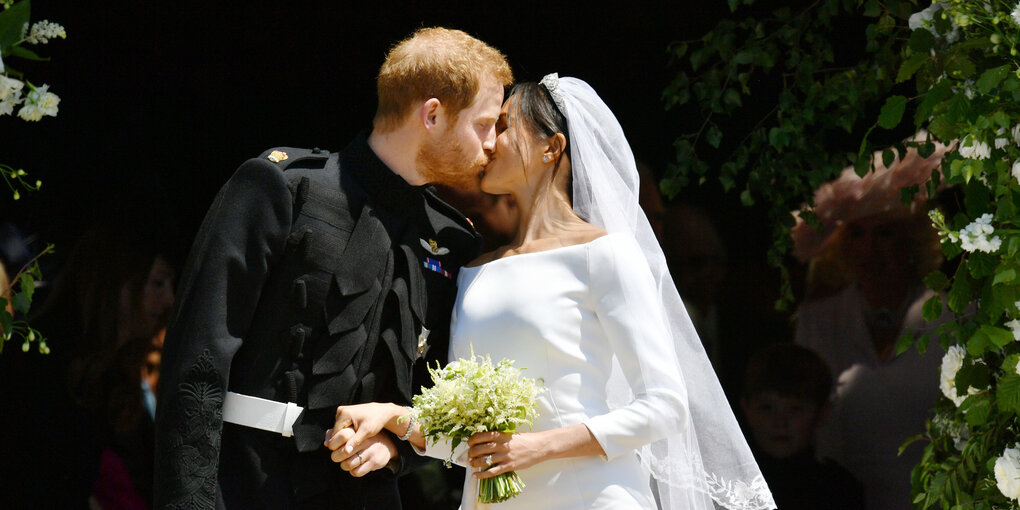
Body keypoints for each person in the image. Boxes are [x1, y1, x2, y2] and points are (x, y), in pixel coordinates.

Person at [324, 75, 775, 510]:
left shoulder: (605, 254)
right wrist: (391, 417)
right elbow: (467, 442)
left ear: (551, 147)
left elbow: (665, 407)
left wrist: (536, 447)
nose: (489, 141)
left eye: (503, 125)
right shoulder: (475, 270)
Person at [153, 27, 512, 510]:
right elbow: (197, 361)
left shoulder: (454, 242)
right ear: (432, 114)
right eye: (485, 124)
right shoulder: (282, 188)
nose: (494, 143)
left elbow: (439, 395)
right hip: (244, 485)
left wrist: (396, 448)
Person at [790, 139, 953, 509]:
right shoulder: (819, 319)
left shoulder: (952, 315)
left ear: (911, 239)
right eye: (857, 235)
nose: (869, 249)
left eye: (884, 233)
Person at [0, 220, 176, 510]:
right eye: (158, 282)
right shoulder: (42, 364)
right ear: (117, 283)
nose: (168, 299)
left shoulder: (111, 374)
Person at [740, 343, 864, 510]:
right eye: (767, 408)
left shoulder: (839, 488)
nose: (780, 422)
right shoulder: (725, 486)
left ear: (822, 413)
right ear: (746, 409)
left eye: (794, 409)